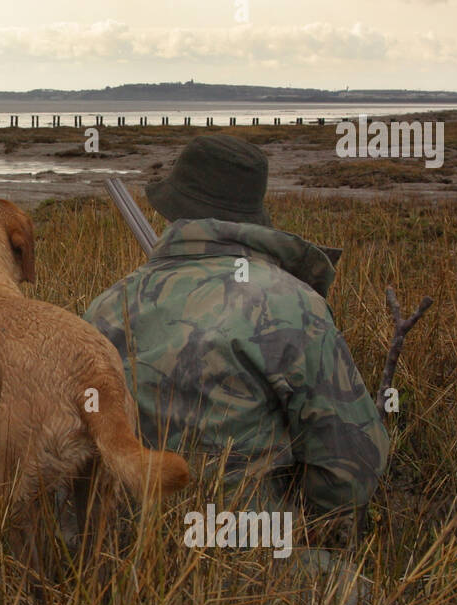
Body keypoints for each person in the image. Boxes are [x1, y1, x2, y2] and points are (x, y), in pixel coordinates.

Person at [84, 134, 388, 551]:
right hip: (253, 568)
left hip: (121, 554)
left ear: (173, 209)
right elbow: (352, 470)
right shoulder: (295, 305)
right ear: (251, 216)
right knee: (363, 602)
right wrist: (302, 523)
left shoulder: (103, 309)